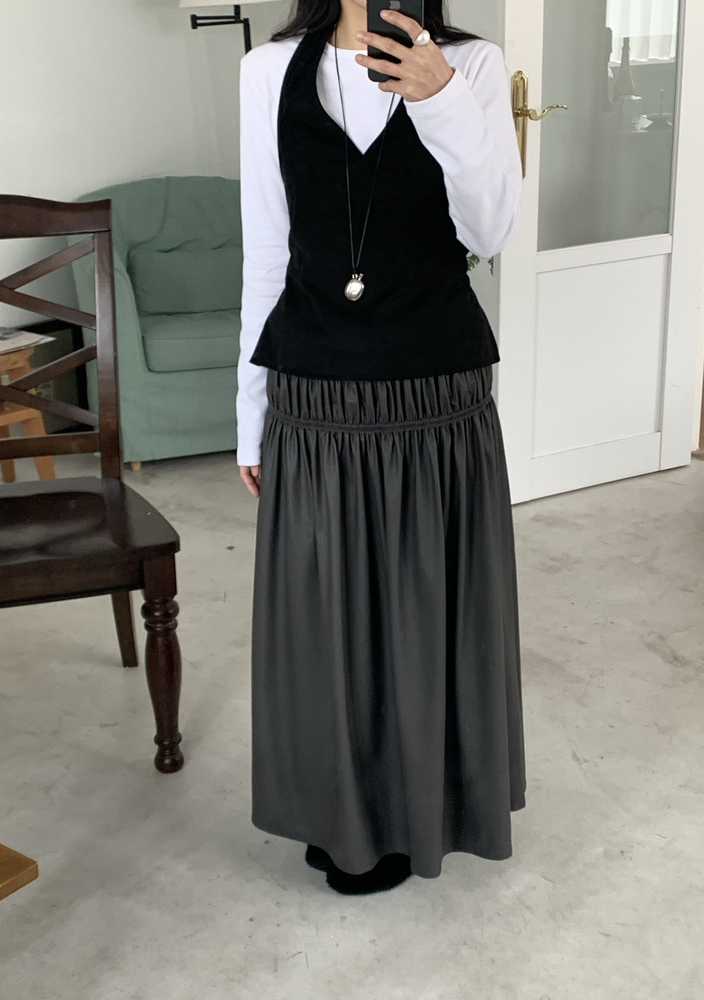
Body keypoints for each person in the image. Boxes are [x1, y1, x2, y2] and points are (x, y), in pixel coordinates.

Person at [236, 0, 526, 895]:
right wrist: (248, 414)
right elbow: (267, 250)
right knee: (326, 621)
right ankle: (343, 814)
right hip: (314, 392)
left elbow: (491, 232)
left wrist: (440, 96)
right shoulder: (267, 72)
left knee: (429, 614)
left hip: (436, 396)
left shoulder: (472, 65)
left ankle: (424, 810)